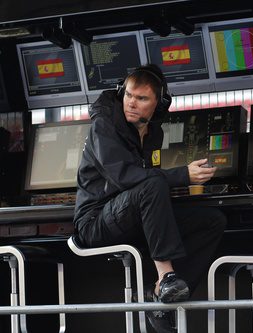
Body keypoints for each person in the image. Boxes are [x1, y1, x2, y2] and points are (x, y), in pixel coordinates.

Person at [73, 64, 227, 332]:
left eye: (142, 98)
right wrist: (182, 175)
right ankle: (166, 276)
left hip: (129, 216)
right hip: (95, 222)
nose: (132, 103)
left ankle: (159, 297)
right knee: (152, 181)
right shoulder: (104, 125)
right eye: (129, 95)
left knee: (212, 220)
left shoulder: (153, 132)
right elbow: (126, 177)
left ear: (159, 104)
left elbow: (144, 184)